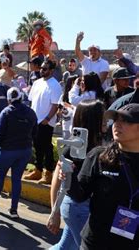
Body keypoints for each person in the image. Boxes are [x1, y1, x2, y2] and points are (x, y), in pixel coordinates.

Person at [75, 103, 139, 249]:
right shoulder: (99, 156)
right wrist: (68, 177)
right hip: (95, 242)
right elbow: (79, 195)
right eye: (116, 119)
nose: (117, 124)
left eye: (126, 120)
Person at [47, 100, 105, 249]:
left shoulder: (102, 143)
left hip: (85, 208)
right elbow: (56, 180)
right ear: (93, 120)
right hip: (78, 209)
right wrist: (55, 213)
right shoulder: (72, 148)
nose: (107, 120)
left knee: (65, 246)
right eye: (102, 116)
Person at [0, 87, 37, 218]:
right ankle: (14, 210)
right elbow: (35, 131)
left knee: (0, 176)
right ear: (21, 97)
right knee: (16, 179)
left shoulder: (6, 112)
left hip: (7, 151)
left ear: (9, 100)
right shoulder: (31, 112)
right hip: (24, 150)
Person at [24, 60, 62, 184]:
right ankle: (38, 170)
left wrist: (47, 119)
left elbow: (56, 104)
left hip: (46, 122)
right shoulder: (37, 83)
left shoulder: (55, 85)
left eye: (45, 69)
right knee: (37, 146)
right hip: (34, 120)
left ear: (51, 70)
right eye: (41, 68)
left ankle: (48, 172)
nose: (42, 70)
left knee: (47, 147)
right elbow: (31, 101)